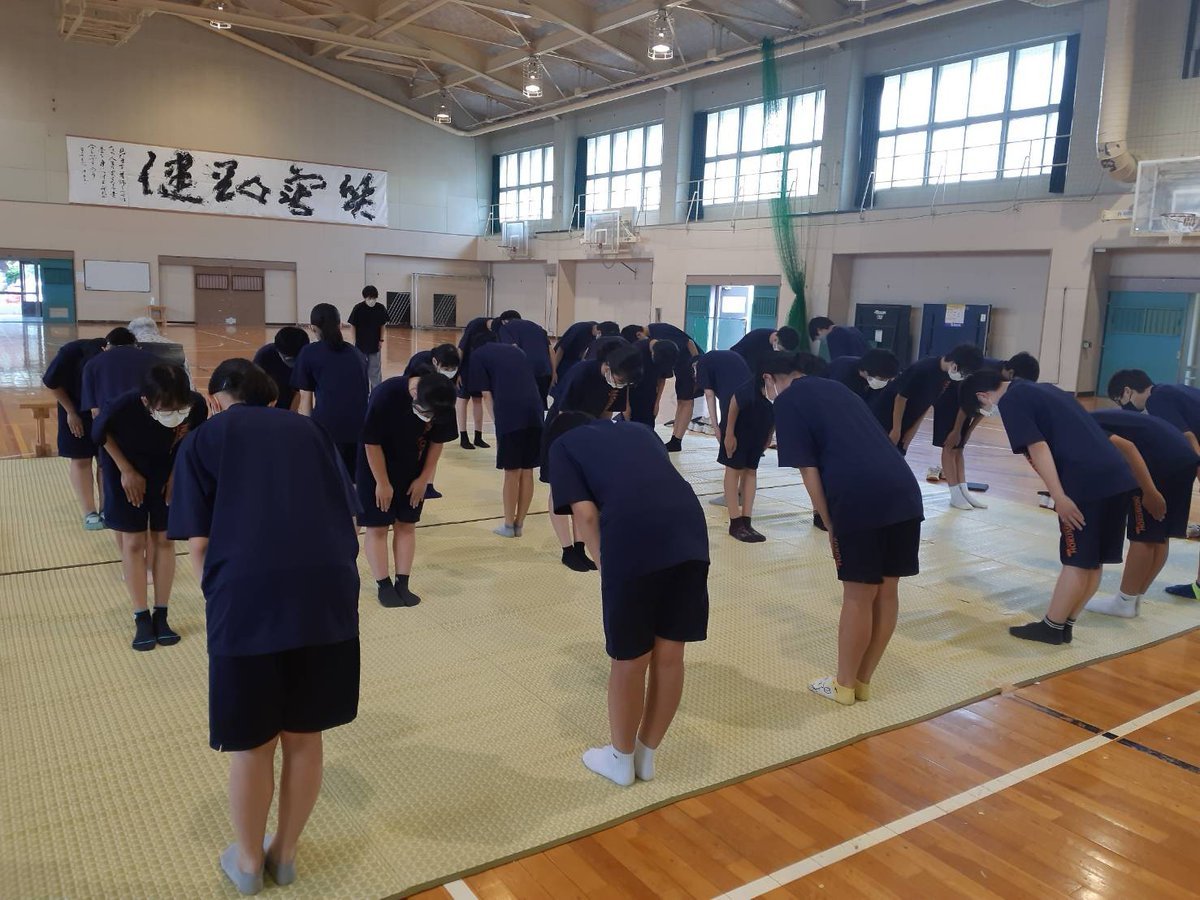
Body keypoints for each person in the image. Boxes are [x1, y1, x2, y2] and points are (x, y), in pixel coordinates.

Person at [168, 358, 361, 896]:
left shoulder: (203, 440)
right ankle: (287, 853)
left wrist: (222, 601)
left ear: (214, 400)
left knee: (253, 743)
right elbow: (347, 516)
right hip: (327, 593)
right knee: (305, 735)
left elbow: (199, 545)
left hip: (248, 596)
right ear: (272, 397)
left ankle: (249, 862)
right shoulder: (311, 429)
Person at [547, 412, 709, 787]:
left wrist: (607, 565)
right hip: (689, 531)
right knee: (670, 657)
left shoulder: (563, 445)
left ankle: (620, 760)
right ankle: (646, 756)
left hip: (632, 537)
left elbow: (585, 516)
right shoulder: (639, 430)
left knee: (630, 659)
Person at [774, 373, 924, 706]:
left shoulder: (787, 401)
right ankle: (862, 682)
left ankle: (842, 685)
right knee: (887, 591)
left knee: (858, 595)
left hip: (859, 497)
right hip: (905, 489)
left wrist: (829, 524)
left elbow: (808, 470)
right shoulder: (842, 392)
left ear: (774, 378)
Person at [961, 372, 1137, 645]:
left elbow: (1039, 447)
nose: (987, 411)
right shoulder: (1044, 389)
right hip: (1116, 476)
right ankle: (1066, 624)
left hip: (1085, 481)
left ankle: (1052, 627)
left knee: (1077, 558)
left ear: (982, 396)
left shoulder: (1011, 400)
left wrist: (1059, 496)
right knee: (1093, 561)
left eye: (982, 409)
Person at [93, 364, 207, 650]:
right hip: (126, 470)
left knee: (164, 538)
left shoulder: (195, 405)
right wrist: (125, 470)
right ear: (146, 401)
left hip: (166, 470)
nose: (175, 413)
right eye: (166, 409)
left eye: (178, 407)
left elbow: (191, 441)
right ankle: (141, 615)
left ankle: (162, 613)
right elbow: (99, 434)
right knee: (134, 542)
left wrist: (173, 477)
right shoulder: (122, 406)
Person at [358, 370, 457, 608]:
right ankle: (384, 584)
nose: (428, 418)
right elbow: (371, 443)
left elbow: (437, 442)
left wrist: (424, 479)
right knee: (378, 525)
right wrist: (382, 482)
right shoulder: (387, 394)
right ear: (414, 393)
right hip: (376, 467)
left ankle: (403, 582)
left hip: (413, 468)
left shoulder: (443, 398)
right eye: (425, 412)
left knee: (406, 523)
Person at [1088, 408, 1199, 617]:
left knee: (1143, 535)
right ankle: (1134, 598)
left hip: (1159, 462)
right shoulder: (1100, 416)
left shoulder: (1085, 425)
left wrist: (1149, 491)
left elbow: (1128, 449)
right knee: (1160, 534)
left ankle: (1124, 601)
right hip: (1184, 457)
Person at [542, 344, 643, 571]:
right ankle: (567, 549)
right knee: (559, 490)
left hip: (589, 436)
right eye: (619, 378)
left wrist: (601, 440)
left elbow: (606, 415)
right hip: (562, 433)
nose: (621, 384)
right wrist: (575, 445)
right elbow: (563, 414)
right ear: (607, 366)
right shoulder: (581, 372)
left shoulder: (620, 380)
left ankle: (580, 547)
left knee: (583, 492)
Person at [1107, 369, 1200, 599]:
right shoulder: (1171, 390)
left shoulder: (1158, 398)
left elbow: (1188, 439)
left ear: (1127, 391)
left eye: (1120, 401)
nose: (1123, 409)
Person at [468, 331, 545, 537]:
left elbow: (486, 394)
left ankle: (508, 526)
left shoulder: (478, 355)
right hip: (536, 413)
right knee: (527, 470)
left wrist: (497, 423)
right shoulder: (516, 351)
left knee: (512, 472)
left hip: (511, 414)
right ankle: (519, 525)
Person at [721, 355, 801, 542]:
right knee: (733, 471)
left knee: (751, 472)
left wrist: (768, 437)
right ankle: (735, 521)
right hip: (739, 433)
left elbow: (775, 415)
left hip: (758, 435)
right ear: (767, 377)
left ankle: (747, 520)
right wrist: (729, 433)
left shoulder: (777, 394)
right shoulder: (748, 390)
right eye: (782, 381)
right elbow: (734, 405)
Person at [293, 303, 370, 479]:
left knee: (326, 481)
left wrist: (306, 434)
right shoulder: (356, 353)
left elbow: (305, 400)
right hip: (360, 429)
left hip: (328, 430)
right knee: (351, 482)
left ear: (313, 328)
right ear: (340, 325)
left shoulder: (309, 352)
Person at [42, 332, 107, 529]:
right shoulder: (69, 354)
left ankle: (107, 508)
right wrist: (71, 412)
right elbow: (51, 383)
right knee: (81, 458)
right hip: (75, 407)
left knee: (105, 459)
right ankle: (89, 512)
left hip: (104, 409)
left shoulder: (111, 357)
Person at [879, 344, 984, 456]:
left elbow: (928, 403)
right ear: (955, 365)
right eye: (964, 372)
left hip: (907, 420)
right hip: (887, 417)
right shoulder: (924, 369)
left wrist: (912, 430)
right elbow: (900, 399)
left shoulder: (948, 377)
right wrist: (896, 429)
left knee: (897, 457)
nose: (963, 377)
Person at [1107, 369, 1200, 455]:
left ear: (1127, 391)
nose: (1122, 406)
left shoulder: (1155, 400)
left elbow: (1187, 436)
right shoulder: (1167, 389)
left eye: (1119, 400)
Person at [647, 321, 702, 452]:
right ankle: (675, 438)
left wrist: (696, 367)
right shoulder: (653, 335)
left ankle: (677, 440)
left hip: (689, 365)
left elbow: (689, 343)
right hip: (680, 366)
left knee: (686, 401)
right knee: (681, 402)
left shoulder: (660, 331)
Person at [80, 326, 158, 416]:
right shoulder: (154, 360)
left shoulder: (92, 364)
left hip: (110, 421)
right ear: (136, 345)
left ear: (106, 347)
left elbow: (95, 411)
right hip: (146, 418)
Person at [497, 311, 555, 407]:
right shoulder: (537, 327)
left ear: (504, 321)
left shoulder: (505, 328)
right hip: (545, 370)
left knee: (522, 406)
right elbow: (551, 351)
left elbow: (513, 349)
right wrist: (554, 373)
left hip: (525, 371)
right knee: (541, 405)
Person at [456, 315, 495, 449]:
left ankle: (478, 436)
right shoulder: (475, 324)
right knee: (463, 400)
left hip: (482, 370)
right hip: (466, 367)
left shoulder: (498, 332)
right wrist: (457, 371)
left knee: (478, 400)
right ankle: (463, 436)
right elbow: (461, 348)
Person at [252, 326, 310, 412]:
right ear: (278, 351)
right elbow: (255, 388)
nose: (294, 364)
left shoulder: (307, 358)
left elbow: (299, 392)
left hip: (287, 400)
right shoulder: (264, 356)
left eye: (298, 359)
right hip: (265, 400)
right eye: (289, 359)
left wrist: (290, 414)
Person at [695, 349, 753, 433]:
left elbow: (709, 396)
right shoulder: (717, 357)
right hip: (749, 388)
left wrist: (716, 428)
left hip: (732, 390)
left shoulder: (701, 363)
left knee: (727, 428)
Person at [628, 338, 679, 428]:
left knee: (648, 427)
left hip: (650, 393)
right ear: (652, 354)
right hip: (631, 392)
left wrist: (657, 402)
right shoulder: (636, 351)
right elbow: (624, 381)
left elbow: (662, 379)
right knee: (630, 426)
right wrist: (625, 405)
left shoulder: (667, 354)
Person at [348, 285, 390, 392]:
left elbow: (382, 325)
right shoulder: (358, 308)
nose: (372, 300)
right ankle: (362, 392)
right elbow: (353, 325)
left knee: (375, 370)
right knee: (361, 370)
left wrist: (381, 340)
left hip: (374, 344)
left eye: (374, 298)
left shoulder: (380, 308)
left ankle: (376, 392)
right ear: (365, 297)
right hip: (360, 345)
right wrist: (354, 341)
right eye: (369, 298)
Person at [825, 349, 900, 403]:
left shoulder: (878, 373)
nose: (885, 382)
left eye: (888, 380)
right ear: (865, 372)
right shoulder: (842, 373)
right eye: (882, 379)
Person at [729, 325, 802, 372]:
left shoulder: (780, 344)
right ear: (776, 340)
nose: (781, 353)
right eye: (782, 350)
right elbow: (733, 355)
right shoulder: (755, 338)